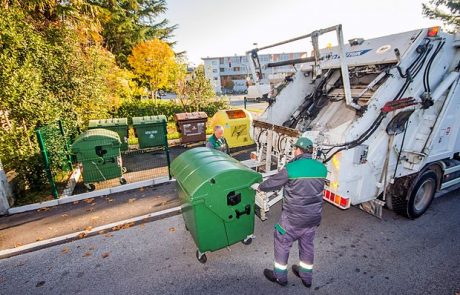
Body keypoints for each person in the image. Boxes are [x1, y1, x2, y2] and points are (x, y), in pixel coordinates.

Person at [252, 137, 327, 288]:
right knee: (307, 245)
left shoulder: (291, 168)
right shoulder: (322, 168)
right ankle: (306, 277)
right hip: (313, 218)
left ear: (298, 150)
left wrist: (260, 187)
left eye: (294, 149)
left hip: (292, 219)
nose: (293, 151)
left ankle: (280, 276)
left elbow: (274, 182)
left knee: (282, 242)